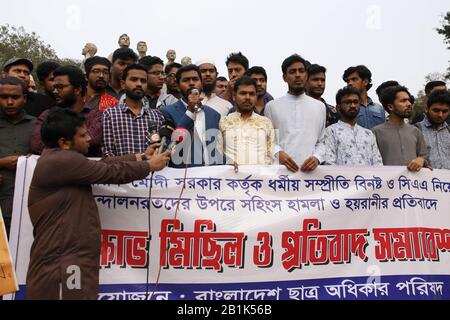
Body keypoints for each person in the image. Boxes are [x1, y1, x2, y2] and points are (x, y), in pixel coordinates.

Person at [26, 107, 170, 300]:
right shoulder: (61, 161)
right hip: (63, 260)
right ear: (64, 143)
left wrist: (141, 157)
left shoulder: (61, 159)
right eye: (83, 135)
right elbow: (110, 172)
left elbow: (102, 164)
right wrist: (149, 166)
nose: (90, 139)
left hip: (68, 255)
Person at [265, 54, 326, 172]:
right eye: (292, 72)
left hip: (311, 173)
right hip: (280, 172)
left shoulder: (319, 107)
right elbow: (268, 140)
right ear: (284, 77)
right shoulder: (272, 106)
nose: (297, 75)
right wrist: (278, 153)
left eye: (301, 71)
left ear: (306, 75)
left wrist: (317, 158)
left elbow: (321, 141)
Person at [31, 66, 103, 157]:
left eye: (60, 87)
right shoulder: (47, 115)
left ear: (77, 89)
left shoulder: (95, 116)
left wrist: (53, 146)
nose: (55, 91)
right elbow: (37, 144)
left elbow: (91, 141)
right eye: (54, 87)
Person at [160, 65, 222, 168]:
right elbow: (171, 145)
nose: (191, 83)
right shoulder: (166, 112)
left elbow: (213, 149)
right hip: (181, 179)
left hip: (210, 177)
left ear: (201, 84)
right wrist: (190, 111)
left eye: (195, 79)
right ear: (178, 86)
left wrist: (227, 161)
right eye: (186, 80)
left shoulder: (214, 115)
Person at [102, 64, 165, 157]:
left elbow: (160, 151)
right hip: (121, 171)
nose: (139, 84)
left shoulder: (157, 116)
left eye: (143, 81)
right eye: (134, 79)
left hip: (152, 171)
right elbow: (108, 153)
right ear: (123, 84)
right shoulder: (110, 115)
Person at [0, 77, 36, 237]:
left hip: (29, 207)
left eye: (14, 97)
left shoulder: (38, 125)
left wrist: (32, 160)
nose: (9, 102)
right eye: (3, 97)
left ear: (25, 98)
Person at [313, 86, 383, 166]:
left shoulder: (368, 134)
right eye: (348, 102)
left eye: (356, 102)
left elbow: (378, 164)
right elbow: (329, 163)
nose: (353, 105)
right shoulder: (330, 132)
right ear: (338, 107)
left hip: (368, 178)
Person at [218, 76, 274, 165]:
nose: (247, 97)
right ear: (234, 96)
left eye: (252, 94)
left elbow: (272, 152)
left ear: (256, 97)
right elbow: (218, 154)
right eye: (243, 93)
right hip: (231, 177)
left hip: (261, 177)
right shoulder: (224, 122)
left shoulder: (266, 122)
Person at [372, 86, 429, 171]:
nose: (409, 104)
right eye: (403, 101)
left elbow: (424, 157)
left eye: (409, 100)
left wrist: (421, 160)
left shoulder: (415, 131)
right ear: (390, 107)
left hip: (413, 183)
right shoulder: (375, 132)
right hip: (387, 182)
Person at [416, 89, 450, 169]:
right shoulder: (415, 130)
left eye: (445, 111)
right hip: (425, 180)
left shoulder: (448, 130)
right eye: (436, 110)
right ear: (427, 109)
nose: (440, 115)